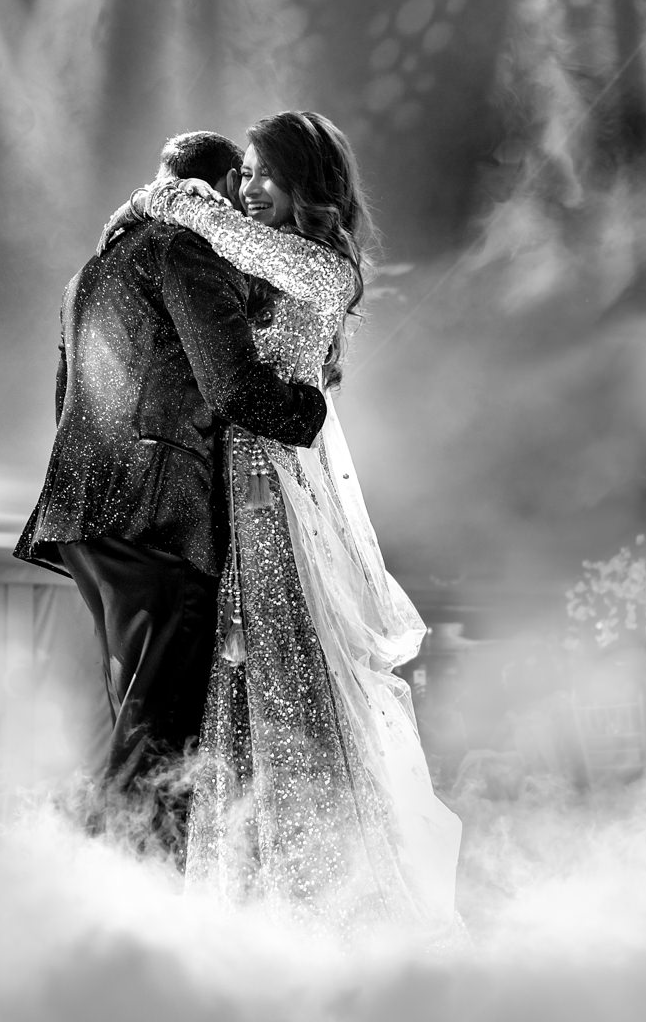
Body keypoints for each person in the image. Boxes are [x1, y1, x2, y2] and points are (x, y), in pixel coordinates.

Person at [125, 111, 462, 932]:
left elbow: (206, 224)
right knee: (237, 680)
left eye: (260, 173)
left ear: (309, 184)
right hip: (231, 483)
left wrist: (170, 195)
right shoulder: (268, 261)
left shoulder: (321, 269)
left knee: (287, 672)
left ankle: (328, 898)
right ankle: (250, 890)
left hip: (274, 490)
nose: (245, 189)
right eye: (239, 173)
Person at [14, 130, 328, 857]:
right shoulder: (184, 249)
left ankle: (77, 895)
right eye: (240, 186)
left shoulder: (89, 272)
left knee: (127, 721)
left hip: (84, 517)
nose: (247, 209)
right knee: (160, 739)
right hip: (158, 518)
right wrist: (309, 408)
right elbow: (233, 385)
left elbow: (66, 401)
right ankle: (127, 912)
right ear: (215, 188)